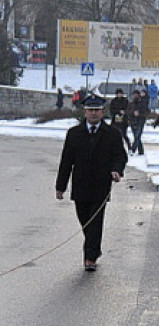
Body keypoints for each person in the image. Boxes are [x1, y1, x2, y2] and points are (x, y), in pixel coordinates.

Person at [55, 93, 127, 272]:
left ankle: (90, 257)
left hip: (101, 186)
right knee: (84, 220)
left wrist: (116, 170)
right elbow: (66, 161)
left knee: (95, 221)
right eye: (90, 110)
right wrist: (60, 187)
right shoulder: (74, 133)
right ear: (84, 112)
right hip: (80, 185)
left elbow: (120, 156)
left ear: (103, 112)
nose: (94, 114)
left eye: (97, 110)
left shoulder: (112, 133)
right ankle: (94, 248)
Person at [126, 88, 147, 155]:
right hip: (132, 121)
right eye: (134, 95)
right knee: (136, 137)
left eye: (136, 95)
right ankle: (141, 150)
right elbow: (127, 112)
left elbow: (146, 111)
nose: (135, 96)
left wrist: (139, 113)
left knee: (137, 136)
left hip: (140, 121)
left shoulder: (142, 103)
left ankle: (133, 149)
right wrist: (132, 113)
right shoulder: (130, 104)